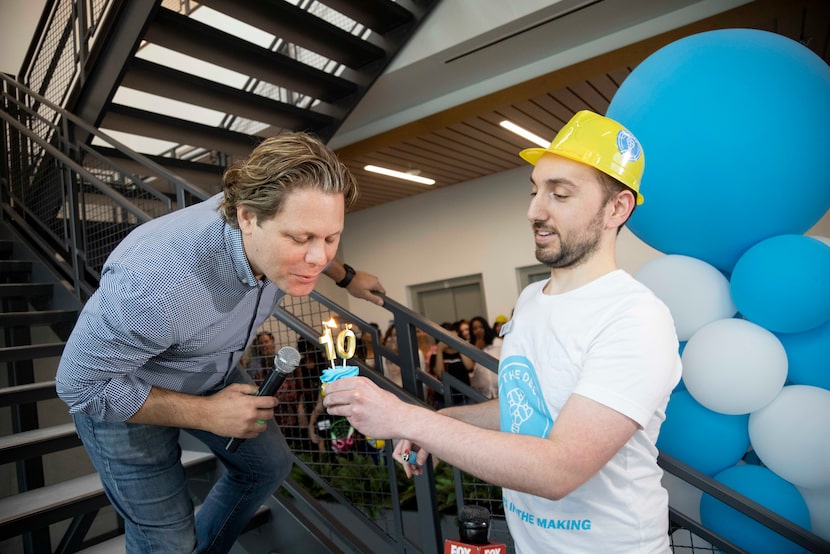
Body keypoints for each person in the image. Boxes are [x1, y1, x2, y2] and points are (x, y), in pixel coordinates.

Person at [322, 111, 681, 553]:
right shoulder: (532, 300)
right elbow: (524, 407)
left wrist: (405, 418)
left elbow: (559, 471)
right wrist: (437, 424)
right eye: (534, 190)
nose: (535, 210)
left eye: (560, 194)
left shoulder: (635, 317)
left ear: (617, 208)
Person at [55, 131, 386, 553]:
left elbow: (314, 239)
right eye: (301, 239)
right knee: (169, 543)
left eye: (330, 237)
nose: (318, 257)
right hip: (123, 391)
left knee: (269, 466)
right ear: (247, 217)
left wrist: (348, 276)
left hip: (208, 362)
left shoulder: (281, 234)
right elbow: (78, 387)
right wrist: (207, 414)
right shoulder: (157, 282)